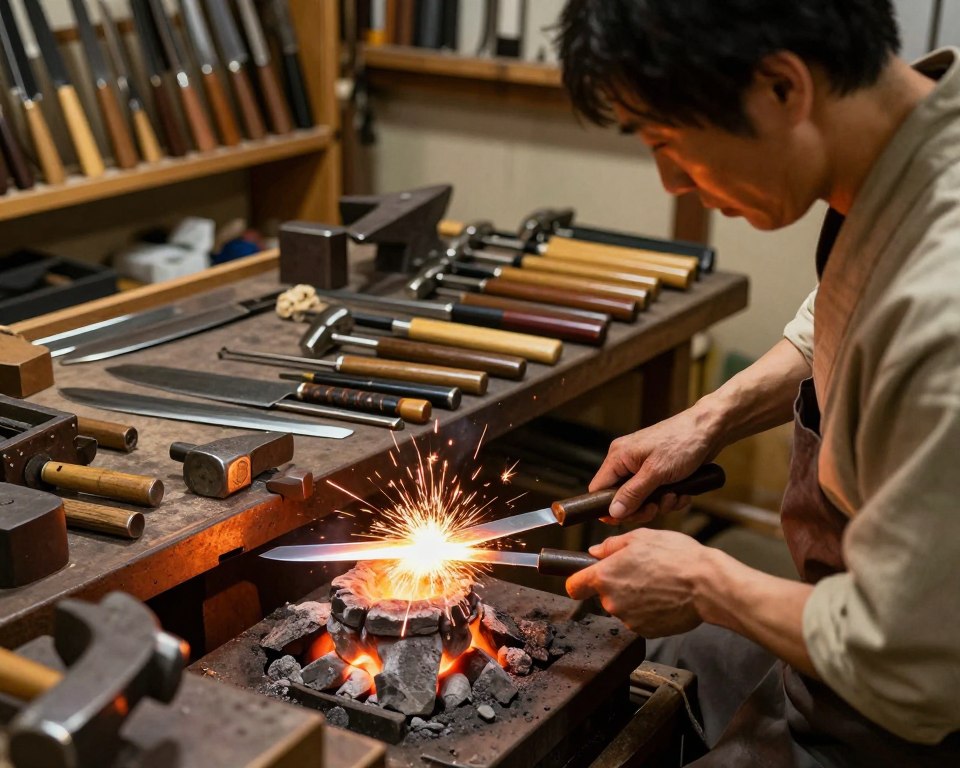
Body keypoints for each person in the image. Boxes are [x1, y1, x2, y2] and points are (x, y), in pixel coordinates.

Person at [557, 1, 960, 765]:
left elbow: (911, 671)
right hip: (846, 649)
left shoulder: (944, 311)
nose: (672, 182)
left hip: (898, 719)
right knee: (610, 651)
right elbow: (838, 317)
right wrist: (709, 418)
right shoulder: (912, 154)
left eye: (667, 141)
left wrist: (706, 584)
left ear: (782, 87)